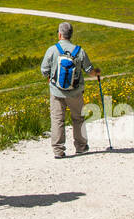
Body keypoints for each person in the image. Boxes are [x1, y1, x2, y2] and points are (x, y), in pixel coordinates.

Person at [41, 22, 100, 158]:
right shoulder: (79, 51)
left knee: (57, 120)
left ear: (60, 34)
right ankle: (81, 147)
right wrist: (97, 73)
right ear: (71, 35)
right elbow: (89, 70)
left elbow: (44, 70)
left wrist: (50, 77)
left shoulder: (52, 50)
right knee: (78, 118)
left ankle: (58, 150)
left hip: (56, 91)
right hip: (75, 92)